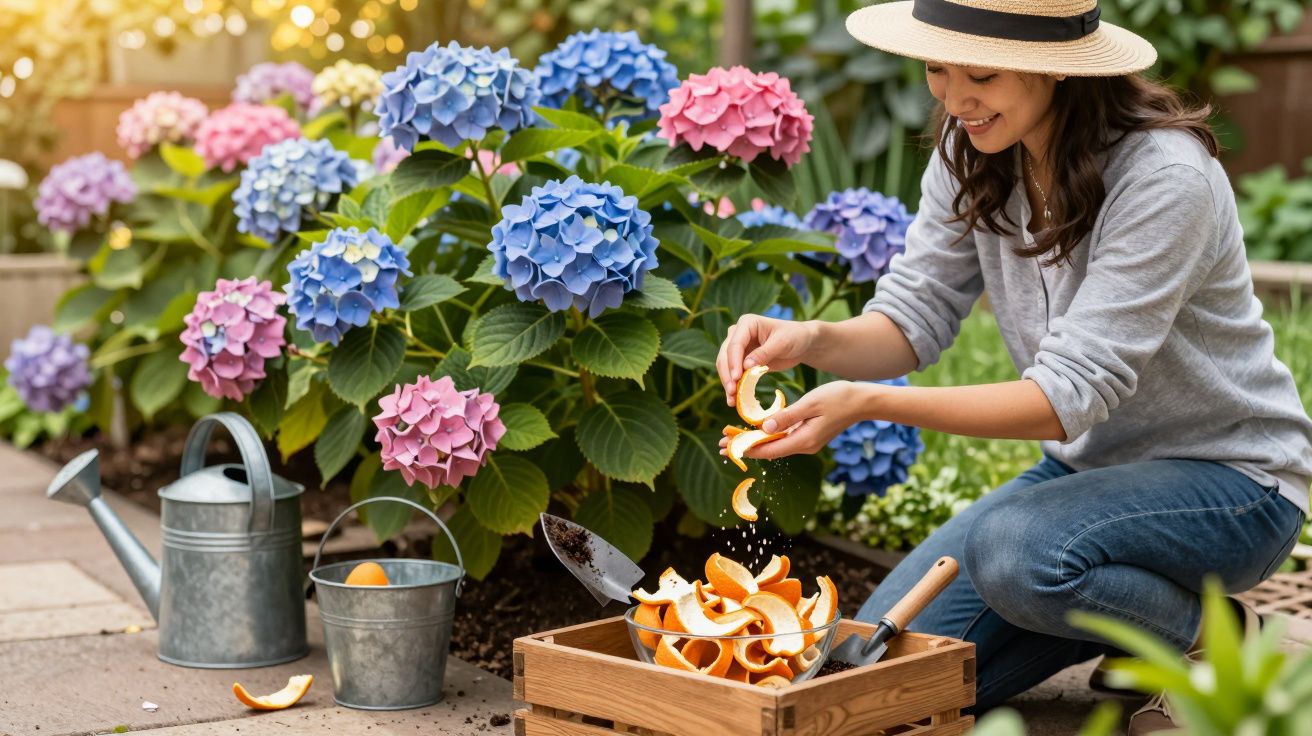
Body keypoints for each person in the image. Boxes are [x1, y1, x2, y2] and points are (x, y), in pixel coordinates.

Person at [714, 1, 1312, 731]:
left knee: (1016, 553)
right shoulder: (973, 147)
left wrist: (870, 402)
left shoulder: (1166, 178)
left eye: (982, 76)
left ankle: (1220, 639)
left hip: (1233, 486)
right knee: (880, 677)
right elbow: (913, 318)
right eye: (938, 69)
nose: (954, 99)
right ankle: (1129, 625)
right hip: (1086, 482)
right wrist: (808, 337)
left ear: (1055, 68)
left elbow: (1066, 398)